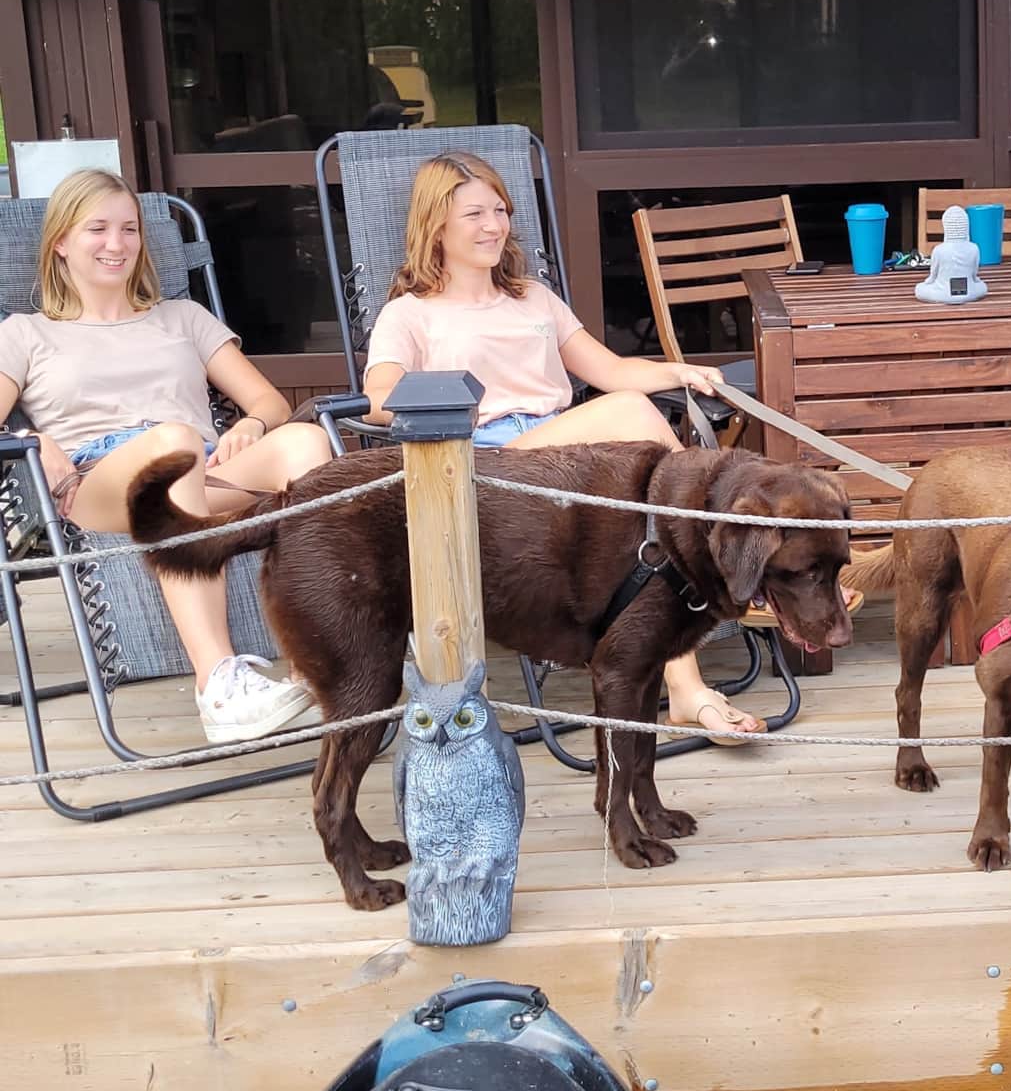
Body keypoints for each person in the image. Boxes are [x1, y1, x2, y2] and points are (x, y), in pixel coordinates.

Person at [363, 152, 772, 741]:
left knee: (646, 526)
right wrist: (454, 402)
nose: (492, 225)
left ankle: (687, 688)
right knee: (638, 431)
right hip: (489, 467)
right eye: (473, 213)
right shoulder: (410, 314)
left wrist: (681, 373)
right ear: (436, 226)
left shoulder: (534, 298)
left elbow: (608, 370)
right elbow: (379, 396)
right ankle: (731, 562)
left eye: (500, 210)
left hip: (566, 454)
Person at [0, 169, 334, 743]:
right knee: (176, 443)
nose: (117, 244)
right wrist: (34, 439)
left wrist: (250, 426)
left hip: (202, 469)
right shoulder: (25, 333)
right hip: (100, 484)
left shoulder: (182, 317)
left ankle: (332, 660)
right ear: (60, 242)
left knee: (305, 442)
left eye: (129, 229)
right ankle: (220, 687)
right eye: (97, 229)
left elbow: (268, 402)